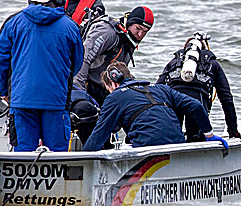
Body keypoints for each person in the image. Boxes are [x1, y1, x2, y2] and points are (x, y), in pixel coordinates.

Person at [0, 0, 83, 152]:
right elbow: (77, 63)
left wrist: (4, 91)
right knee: (57, 159)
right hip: (56, 100)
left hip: (21, 99)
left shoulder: (13, 23)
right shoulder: (70, 27)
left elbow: (0, 61)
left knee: (23, 156)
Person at [82, 61, 229, 152]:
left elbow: (99, 136)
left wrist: (83, 159)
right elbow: (196, 106)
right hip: (178, 146)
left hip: (147, 151)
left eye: (108, 89)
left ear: (113, 83)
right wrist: (209, 135)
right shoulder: (161, 89)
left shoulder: (115, 97)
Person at [156, 32, 239, 140]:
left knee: (172, 138)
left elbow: (156, 90)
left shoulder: (174, 62)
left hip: (174, 101)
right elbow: (226, 98)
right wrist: (233, 132)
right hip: (197, 103)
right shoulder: (212, 63)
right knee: (196, 138)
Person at [73, 5, 153, 105]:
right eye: (138, 28)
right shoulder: (108, 32)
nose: (140, 34)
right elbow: (83, 59)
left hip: (105, 88)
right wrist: (80, 95)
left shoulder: (129, 39)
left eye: (145, 32)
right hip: (87, 85)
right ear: (130, 22)